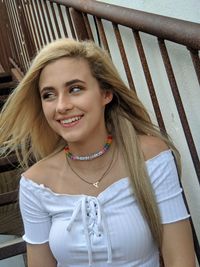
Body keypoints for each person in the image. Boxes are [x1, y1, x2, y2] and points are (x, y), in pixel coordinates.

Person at [0, 38, 195, 267]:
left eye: (75, 89)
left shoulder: (151, 157)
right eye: (49, 95)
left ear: (106, 94)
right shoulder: (35, 184)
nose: (61, 106)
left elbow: (180, 260)